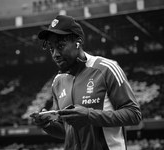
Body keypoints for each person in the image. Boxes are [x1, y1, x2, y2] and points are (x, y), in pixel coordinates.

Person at [30, 15, 142, 150]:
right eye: (51, 48)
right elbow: (67, 131)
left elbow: (134, 114)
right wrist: (47, 124)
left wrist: (89, 115)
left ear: (78, 42)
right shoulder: (58, 82)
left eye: (60, 46)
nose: (55, 54)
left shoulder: (106, 69)